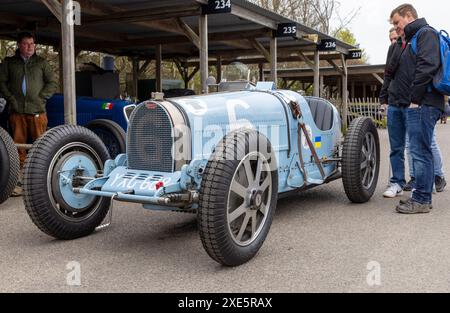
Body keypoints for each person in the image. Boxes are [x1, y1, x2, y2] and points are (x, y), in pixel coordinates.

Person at [388, 4, 445, 214]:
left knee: (420, 152)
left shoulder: (425, 33)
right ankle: (421, 197)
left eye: (397, 22)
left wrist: (414, 99)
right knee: (420, 150)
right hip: (423, 102)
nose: (396, 27)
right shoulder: (415, 37)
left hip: (424, 102)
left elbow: (427, 66)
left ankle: (421, 199)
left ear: (409, 16)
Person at [0, 32, 57, 196]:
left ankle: (41, 182)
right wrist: (11, 99)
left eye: (32, 44)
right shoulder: (10, 63)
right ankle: (18, 183)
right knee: (17, 146)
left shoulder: (41, 63)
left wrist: (42, 97)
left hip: (38, 111)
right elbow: (1, 82)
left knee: (42, 146)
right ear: (19, 45)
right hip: (17, 112)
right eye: (26, 44)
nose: (30, 47)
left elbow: (53, 82)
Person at [380, 27, 409, 198]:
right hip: (394, 102)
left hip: (413, 103)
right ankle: (397, 182)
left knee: (416, 147)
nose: (393, 40)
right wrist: (383, 99)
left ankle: (421, 184)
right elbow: (388, 74)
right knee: (396, 147)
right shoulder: (393, 49)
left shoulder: (416, 44)